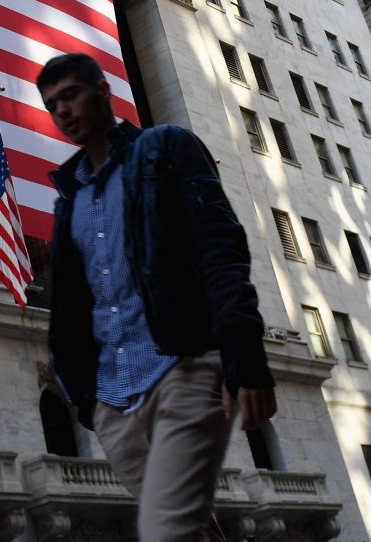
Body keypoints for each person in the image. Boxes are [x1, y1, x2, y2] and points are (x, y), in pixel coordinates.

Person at [37, 52, 277, 541]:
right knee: (189, 530)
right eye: (51, 104)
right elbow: (72, 306)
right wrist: (85, 398)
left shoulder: (165, 148)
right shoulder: (70, 200)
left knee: (166, 530)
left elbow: (220, 249)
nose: (61, 110)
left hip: (183, 368)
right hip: (111, 398)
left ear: (103, 91)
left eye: (70, 95)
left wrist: (243, 357)